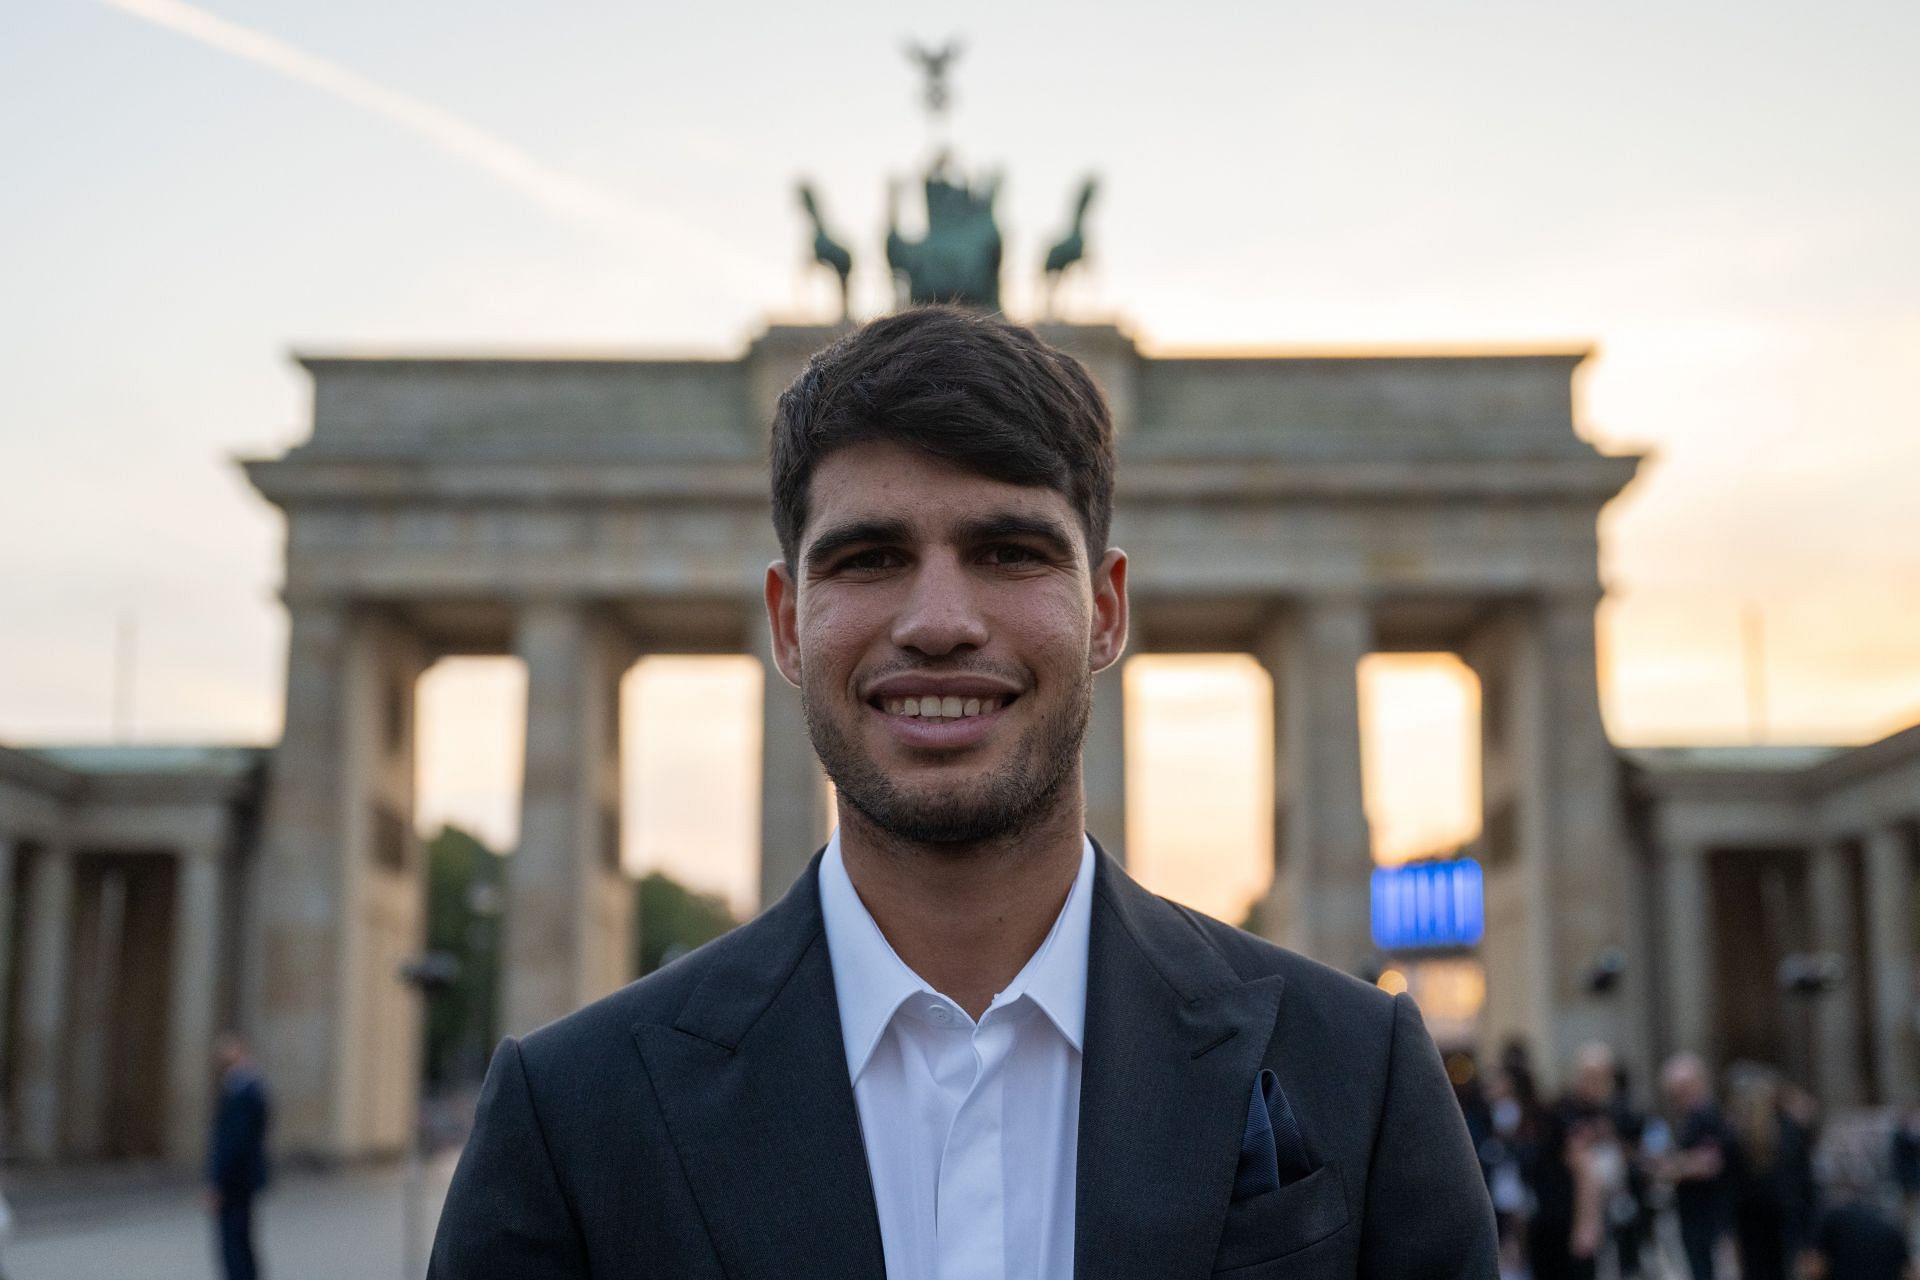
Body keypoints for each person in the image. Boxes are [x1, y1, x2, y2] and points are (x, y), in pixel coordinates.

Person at [429, 306, 1499, 1278]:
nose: (939, 618)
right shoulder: (571, 1117)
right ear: (790, 622)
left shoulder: (1358, 1074)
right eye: (870, 557)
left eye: (1007, 550)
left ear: (1106, 609)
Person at [1658, 1052, 1731, 1280]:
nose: (1679, 1094)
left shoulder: (1706, 1114)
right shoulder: (1687, 1117)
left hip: (1709, 1210)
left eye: (1683, 1086)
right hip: (1691, 1208)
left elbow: (1710, 1162)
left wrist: (1671, 1168)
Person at [206, 1031, 270, 1280]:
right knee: (241, 1239)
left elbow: (233, 1143)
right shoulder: (253, 1087)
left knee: (233, 1242)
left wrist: (217, 1182)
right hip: (244, 1177)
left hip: (235, 1180)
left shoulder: (243, 1090)